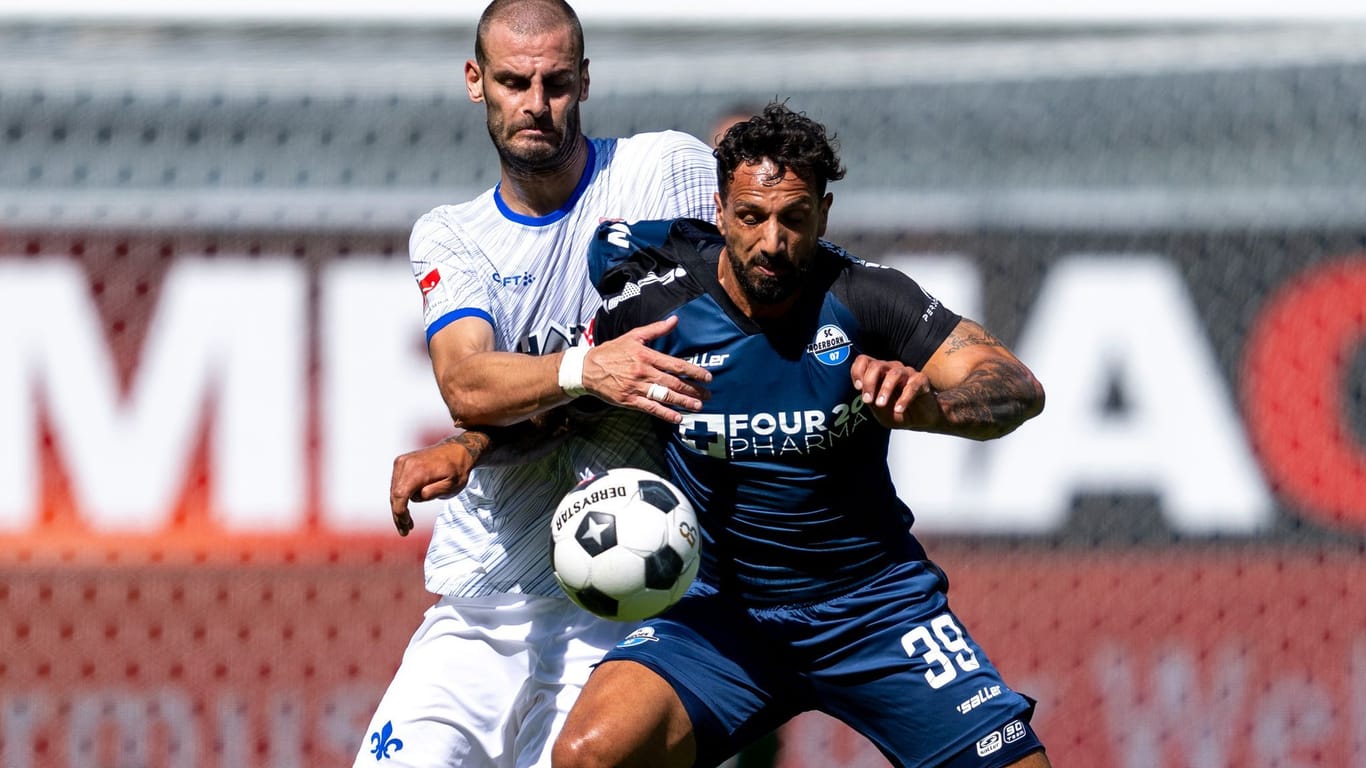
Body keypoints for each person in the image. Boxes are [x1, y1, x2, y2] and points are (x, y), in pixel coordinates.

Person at [550, 103, 1051, 767]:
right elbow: (562, 398)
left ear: (824, 211)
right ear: (721, 211)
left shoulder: (868, 296)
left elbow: (1016, 386)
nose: (773, 241)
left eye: (795, 217)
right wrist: (470, 444)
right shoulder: (654, 300)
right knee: (590, 754)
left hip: (876, 612)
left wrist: (934, 406)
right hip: (718, 619)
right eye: (752, 217)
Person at [355, 2, 720, 766]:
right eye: (514, 81)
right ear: (474, 81)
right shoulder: (452, 235)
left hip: (627, 598)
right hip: (482, 597)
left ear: (585, 81)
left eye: (556, 82)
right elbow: (467, 381)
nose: (536, 103)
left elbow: (754, 286)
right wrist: (582, 376)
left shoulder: (666, 172)